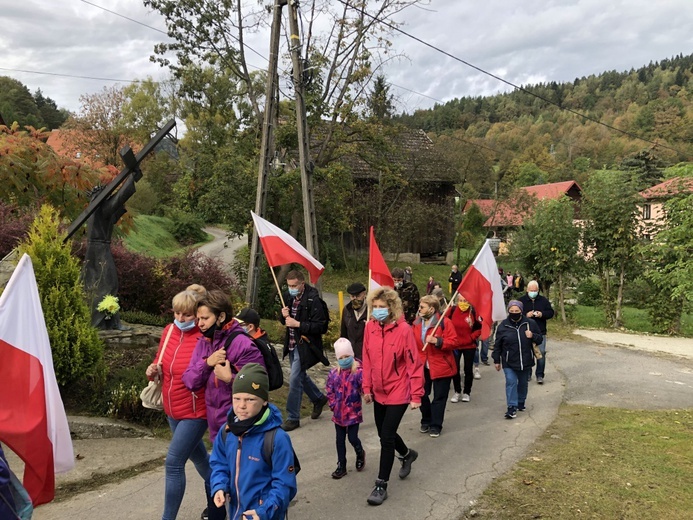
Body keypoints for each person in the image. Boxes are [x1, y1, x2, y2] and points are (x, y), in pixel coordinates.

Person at [145, 288, 223, 520]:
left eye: (187, 315)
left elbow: (207, 374)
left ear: (197, 315)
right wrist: (152, 371)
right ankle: (222, 498)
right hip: (172, 409)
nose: (180, 319)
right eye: (177, 313)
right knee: (199, 458)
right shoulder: (169, 331)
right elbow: (160, 364)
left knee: (174, 463)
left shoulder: (204, 338)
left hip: (195, 411)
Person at [209, 363, 297, 520]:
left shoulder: (277, 438)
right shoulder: (227, 431)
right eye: (236, 398)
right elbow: (219, 464)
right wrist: (219, 486)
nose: (241, 406)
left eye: (250, 399)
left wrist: (264, 511)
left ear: (264, 401)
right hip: (236, 513)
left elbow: (285, 484)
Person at [362, 287, 424, 506]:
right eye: (375, 307)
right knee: (383, 432)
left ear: (391, 307)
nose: (378, 311)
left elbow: (413, 363)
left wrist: (416, 395)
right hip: (378, 390)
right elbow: (366, 358)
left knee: (386, 436)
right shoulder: (369, 327)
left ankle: (381, 485)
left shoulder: (404, 330)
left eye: (382, 307)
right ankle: (407, 454)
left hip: (399, 389)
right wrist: (366, 387)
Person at [183, 290, 265, 442]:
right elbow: (189, 381)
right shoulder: (205, 341)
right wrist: (207, 363)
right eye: (198, 318)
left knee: (239, 466)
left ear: (221, 316)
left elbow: (258, 387)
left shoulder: (243, 344)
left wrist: (230, 379)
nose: (200, 324)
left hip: (242, 427)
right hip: (216, 428)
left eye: (205, 318)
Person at [279, 270, 329, 432]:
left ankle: (293, 417)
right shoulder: (288, 297)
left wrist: (299, 324)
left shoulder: (313, 300)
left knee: (294, 378)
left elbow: (321, 326)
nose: (291, 288)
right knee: (300, 375)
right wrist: (283, 316)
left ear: (302, 284)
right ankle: (318, 398)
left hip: (306, 345)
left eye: (294, 285)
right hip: (293, 343)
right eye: (289, 285)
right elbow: (287, 322)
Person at [412, 295, 458, 437]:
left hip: (441, 365)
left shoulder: (444, 322)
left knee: (439, 397)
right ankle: (426, 419)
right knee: (422, 394)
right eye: (419, 306)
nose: (419, 309)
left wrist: (438, 341)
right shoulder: (417, 323)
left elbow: (454, 342)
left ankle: (435, 425)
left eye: (422, 307)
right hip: (422, 365)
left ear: (432, 308)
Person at [492, 300, 543, 419]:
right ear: (508, 311)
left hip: (525, 360)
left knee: (523, 383)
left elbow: (540, 339)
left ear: (521, 311)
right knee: (511, 382)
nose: (514, 313)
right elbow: (497, 345)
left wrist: (532, 336)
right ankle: (511, 407)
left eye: (517, 311)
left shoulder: (530, 323)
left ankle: (521, 402)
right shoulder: (503, 326)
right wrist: (496, 360)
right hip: (509, 361)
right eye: (512, 311)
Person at [325, 338, 365, 479]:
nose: (344, 360)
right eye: (341, 357)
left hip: (353, 412)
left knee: (353, 438)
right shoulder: (334, 374)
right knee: (339, 440)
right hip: (338, 413)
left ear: (352, 355)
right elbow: (329, 389)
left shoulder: (358, 372)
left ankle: (360, 452)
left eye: (347, 356)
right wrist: (332, 404)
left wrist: (367, 394)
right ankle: (341, 465)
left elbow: (364, 387)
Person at [519, 280, 555, 384]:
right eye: (531, 290)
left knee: (541, 353)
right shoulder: (521, 301)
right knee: (528, 353)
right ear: (527, 290)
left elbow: (551, 313)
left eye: (535, 290)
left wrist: (541, 314)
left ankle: (540, 375)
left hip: (540, 331)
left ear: (538, 290)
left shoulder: (543, 301)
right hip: (526, 331)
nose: (533, 292)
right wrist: (526, 315)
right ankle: (528, 373)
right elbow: (515, 314)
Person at [448, 295, 482, 403]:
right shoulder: (452, 310)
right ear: (457, 301)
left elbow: (479, 327)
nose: (463, 303)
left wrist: (472, 337)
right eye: (461, 300)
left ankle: (467, 392)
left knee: (468, 369)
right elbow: (444, 323)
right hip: (455, 345)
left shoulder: (473, 312)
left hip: (469, 346)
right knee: (455, 369)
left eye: (465, 301)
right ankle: (457, 391)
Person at [339, 282, 368, 360]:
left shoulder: (370, 311)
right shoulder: (347, 310)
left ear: (364, 294)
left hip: (366, 355)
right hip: (351, 355)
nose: (355, 299)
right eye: (352, 296)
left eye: (358, 296)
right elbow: (343, 335)